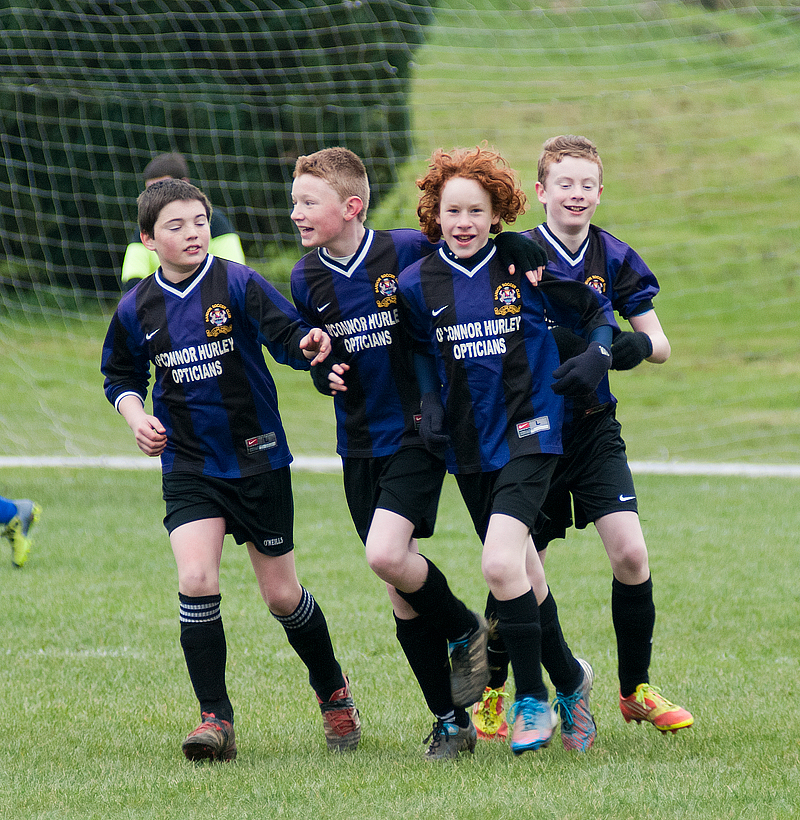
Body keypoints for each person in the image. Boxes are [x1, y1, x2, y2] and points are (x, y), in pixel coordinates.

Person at [289, 147, 548, 760]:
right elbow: (318, 357)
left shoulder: (406, 251)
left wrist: (520, 250)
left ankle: (464, 629)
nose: (295, 212)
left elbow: (474, 260)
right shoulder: (306, 279)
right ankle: (451, 718)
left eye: (307, 201)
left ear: (350, 206)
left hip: (416, 433)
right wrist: (321, 375)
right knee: (396, 584)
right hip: (357, 442)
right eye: (294, 201)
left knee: (385, 553)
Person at [101, 178, 360, 762]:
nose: (192, 233)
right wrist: (135, 415)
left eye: (199, 221)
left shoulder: (235, 281)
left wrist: (311, 343)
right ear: (148, 240)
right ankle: (214, 719)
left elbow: (286, 336)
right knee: (196, 580)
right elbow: (119, 375)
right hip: (189, 465)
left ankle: (333, 692)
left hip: (257, 457)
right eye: (175, 225)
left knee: (281, 595)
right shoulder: (137, 305)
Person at [397, 145, 619, 756]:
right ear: (434, 215)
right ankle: (573, 682)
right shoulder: (419, 283)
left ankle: (530, 700)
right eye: (452, 211)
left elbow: (596, 311)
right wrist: (427, 404)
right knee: (526, 573)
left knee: (500, 564)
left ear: (499, 214)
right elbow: (416, 347)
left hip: (532, 430)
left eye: (478, 210)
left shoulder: (528, 265)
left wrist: (598, 354)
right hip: (469, 447)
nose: (464, 222)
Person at [474, 135, 693, 742]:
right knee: (519, 566)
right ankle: (497, 691)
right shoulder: (511, 254)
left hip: (594, 429)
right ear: (541, 192)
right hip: (531, 434)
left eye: (587, 184)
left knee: (630, 554)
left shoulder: (615, 257)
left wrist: (630, 347)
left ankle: (635, 690)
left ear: (600, 192)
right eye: (563, 183)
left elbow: (662, 343)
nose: (576, 194)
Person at [120, 152, 245, 291]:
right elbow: (132, 280)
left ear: (184, 183)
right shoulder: (147, 226)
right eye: (151, 189)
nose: (156, 195)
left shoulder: (215, 221)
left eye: (163, 186)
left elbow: (235, 273)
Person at [1, 496, 40, 568]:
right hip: (22, 509)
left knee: (18, 559)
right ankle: (14, 513)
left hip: (20, 513)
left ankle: (15, 515)